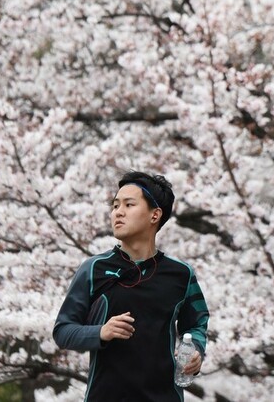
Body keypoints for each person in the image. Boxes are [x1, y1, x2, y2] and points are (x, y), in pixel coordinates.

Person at [53, 171, 209, 402]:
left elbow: (197, 323)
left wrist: (195, 351)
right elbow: (63, 331)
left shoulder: (181, 274)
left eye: (128, 204)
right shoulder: (93, 269)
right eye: (115, 205)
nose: (118, 212)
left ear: (155, 214)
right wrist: (101, 332)